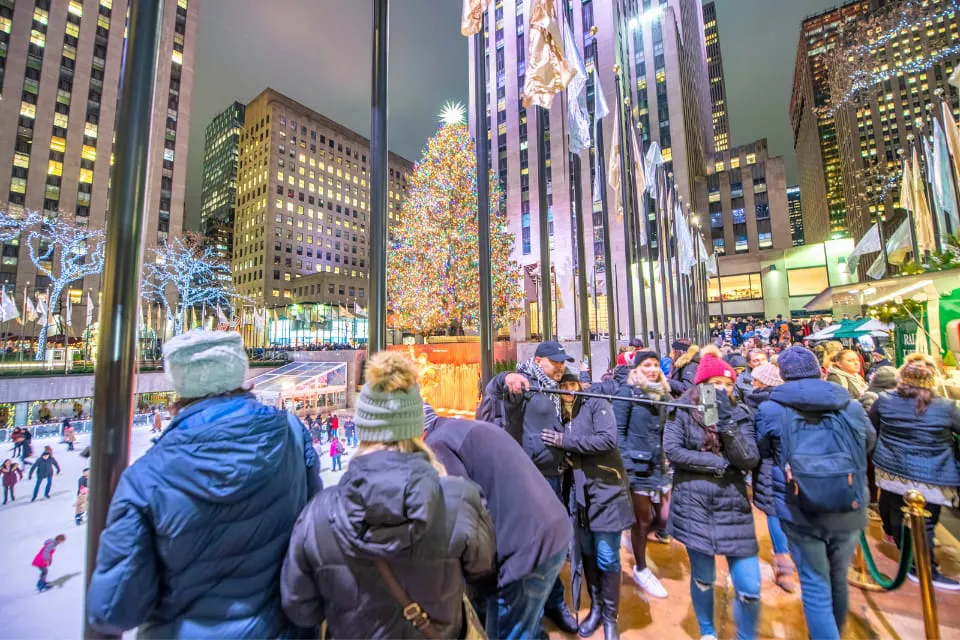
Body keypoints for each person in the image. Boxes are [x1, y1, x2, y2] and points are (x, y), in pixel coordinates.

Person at [86, 330, 320, 638]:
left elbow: (112, 609)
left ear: (180, 387)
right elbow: (314, 532)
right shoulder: (291, 432)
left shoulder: (145, 477)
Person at [280, 351, 496, 638]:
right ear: (418, 429)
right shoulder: (460, 501)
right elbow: (482, 570)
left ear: (362, 430)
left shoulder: (318, 514)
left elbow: (300, 607)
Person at [424, 404, 572, 639]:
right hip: (552, 531)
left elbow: (463, 521)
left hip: (524, 551)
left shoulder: (437, 445)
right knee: (528, 627)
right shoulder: (461, 427)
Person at [756, 346, 874, 640]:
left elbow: (760, 451)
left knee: (814, 583)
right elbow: (868, 443)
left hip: (799, 507)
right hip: (848, 502)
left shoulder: (771, 409)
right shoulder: (851, 406)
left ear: (782, 374)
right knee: (837, 579)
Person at [481, 340, 580, 632]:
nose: (561, 366)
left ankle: (551, 602)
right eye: (555, 361)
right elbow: (494, 389)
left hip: (558, 474)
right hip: (531, 476)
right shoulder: (524, 383)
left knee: (554, 545)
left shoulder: (560, 386)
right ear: (538, 361)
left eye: (563, 361)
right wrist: (505, 377)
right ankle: (537, 610)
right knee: (537, 546)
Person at [664, 346, 761, 640]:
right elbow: (673, 450)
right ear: (702, 385)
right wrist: (718, 463)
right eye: (715, 384)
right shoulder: (683, 410)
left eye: (728, 385)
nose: (722, 390)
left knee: (749, 587)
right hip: (695, 503)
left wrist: (727, 422)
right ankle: (708, 630)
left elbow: (748, 458)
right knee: (704, 576)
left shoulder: (739, 412)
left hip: (732, 505)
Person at [541, 368, 634, 640]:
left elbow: (608, 439)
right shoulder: (558, 413)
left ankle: (610, 617)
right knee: (588, 554)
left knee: (607, 554)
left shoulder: (596, 403)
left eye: (573, 383)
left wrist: (565, 441)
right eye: (564, 384)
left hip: (607, 491)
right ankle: (595, 607)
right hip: (579, 495)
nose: (569, 389)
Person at [870, 354, 960, 590]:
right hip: (931, 473)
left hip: (891, 468)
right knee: (926, 521)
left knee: (900, 513)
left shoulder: (884, 400)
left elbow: (873, 428)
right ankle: (922, 568)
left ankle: (909, 559)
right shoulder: (945, 407)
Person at [613, 350, 670, 600]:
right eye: (647, 365)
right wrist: (626, 465)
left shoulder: (664, 394)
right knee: (643, 518)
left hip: (659, 464)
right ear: (637, 368)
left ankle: (633, 537)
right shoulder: (628, 393)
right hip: (637, 467)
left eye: (656, 365)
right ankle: (641, 567)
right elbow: (618, 431)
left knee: (665, 518)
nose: (652, 369)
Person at [744, 363, 795, 593]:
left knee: (774, 510)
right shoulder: (792, 402)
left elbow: (758, 441)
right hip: (792, 464)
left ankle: (783, 560)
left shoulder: (758, 404)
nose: (752, 383)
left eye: (755, 380)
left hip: (768, 464)